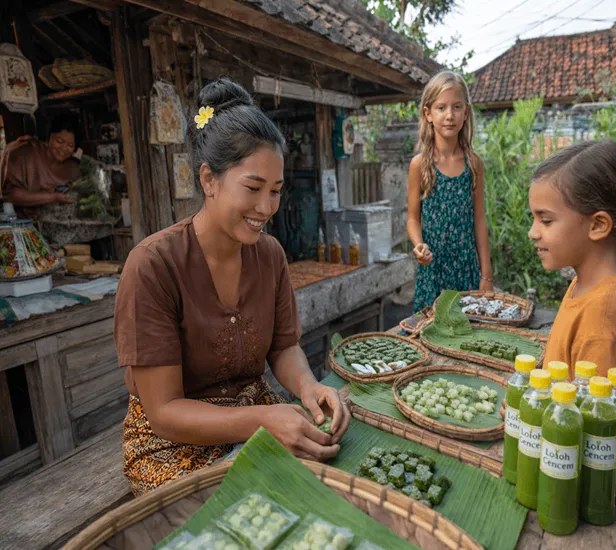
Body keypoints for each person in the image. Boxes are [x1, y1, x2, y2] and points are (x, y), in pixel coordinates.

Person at [114, 79, 350, 496]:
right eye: (253, 188)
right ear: (208, 179)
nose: (266, 208)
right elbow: (164, 411)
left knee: (332, 477)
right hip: (170, 442)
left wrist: (309, 386)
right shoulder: (153, 265)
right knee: (243, 510)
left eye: (276, 191)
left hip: (255, 410)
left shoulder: (271, 256)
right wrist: (263, 421)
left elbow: (283, 348)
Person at [504, 140, 616, 519]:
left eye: (546, 220)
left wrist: (527, 421)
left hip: (584, 498)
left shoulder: (603, 320)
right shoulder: (585, 282)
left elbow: (591, 448)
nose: (532, 232)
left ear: (598, 225)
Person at [406, 70, 493, 312]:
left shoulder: (473, 164)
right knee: (429, 335)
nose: (449, 115)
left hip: (466, 269)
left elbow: (479, 220)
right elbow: (413, 219)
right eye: (441, 108)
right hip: (432, 271)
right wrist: (419, 245)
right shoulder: (419, 165)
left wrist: (486, 274)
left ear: (466, 112)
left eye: (456, 107)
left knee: (468, 334)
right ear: (428, 114)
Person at [1, 114, 79, 218]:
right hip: (20, 224)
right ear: (48, 137)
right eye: (59, 141)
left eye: (70, 146)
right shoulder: (25, 153)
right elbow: (11, 195)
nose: (64, 149)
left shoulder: (73, 167)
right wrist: (53, 197)